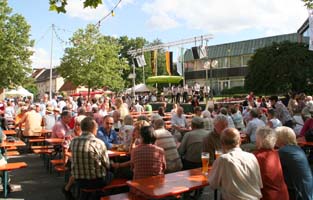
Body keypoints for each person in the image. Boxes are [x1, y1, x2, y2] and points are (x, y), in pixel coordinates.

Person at [208, 128, 263, 200]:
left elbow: (213, 184)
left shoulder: (223, 159)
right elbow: (259, 184)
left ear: (222, 143)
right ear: (240, 141)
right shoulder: (251, 156)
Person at [70, 117, 112, 194]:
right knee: (112, 174)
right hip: (97, 181)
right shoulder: (98, 143)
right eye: (96, 128)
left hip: (78, 181)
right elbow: (107, 165)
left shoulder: (73, 141)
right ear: (93, 128)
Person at [275, 126, 313, 200]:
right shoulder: (296, 148)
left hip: (298, 193)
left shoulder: (284, 151)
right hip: (307, 189)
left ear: (280, 138)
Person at [254, 127, 289, 200]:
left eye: (256, 138)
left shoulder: (257, 156)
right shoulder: (276, 153)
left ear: (260, 140)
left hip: (268, 195)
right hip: (282, 194)